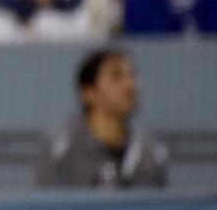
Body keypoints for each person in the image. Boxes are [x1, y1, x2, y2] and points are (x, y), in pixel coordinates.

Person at [36, 48, 168, 189]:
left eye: (132, 75)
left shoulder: (151, 150)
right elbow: (48, 208)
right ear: (89, 92)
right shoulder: (59, 149)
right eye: (116, 76)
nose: (130, 85)